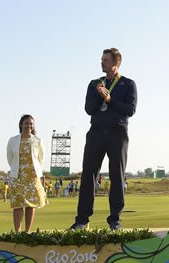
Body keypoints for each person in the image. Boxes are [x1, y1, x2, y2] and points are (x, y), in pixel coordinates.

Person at [71, 48, 138, 230]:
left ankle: (115, 220)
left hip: (118, 132)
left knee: (117, 175)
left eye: (106, 60)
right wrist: (100, 97)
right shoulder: (95, 83)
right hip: (97, 131)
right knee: (88, 175)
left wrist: (110, 100)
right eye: (101, 60)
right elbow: (89, 109)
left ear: (116, 63)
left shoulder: (128, 84)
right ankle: (82, 220)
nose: (102, 63)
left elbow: (130, 110)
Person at [6, 114, 47, 232]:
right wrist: (17, 169)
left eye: (31, 124)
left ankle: (27, 232)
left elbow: (41, 158)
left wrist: (34, 170)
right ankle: (17, 232)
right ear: (21, 124)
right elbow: (10, 158)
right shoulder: (13, 140)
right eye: (26, 123)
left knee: (31, 205)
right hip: (17, 177)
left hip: (32, 177)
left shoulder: (37, 141)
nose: (28, 126)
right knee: (18, 205)